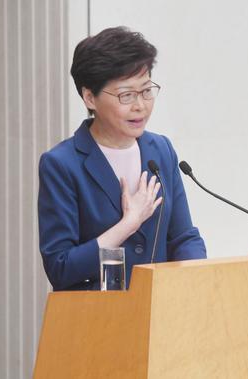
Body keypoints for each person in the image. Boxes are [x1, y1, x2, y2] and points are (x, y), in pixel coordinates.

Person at [38, 26, 206, 291]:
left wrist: (192, 286)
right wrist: (128, 224)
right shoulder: (62, 164)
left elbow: (183, 237)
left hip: (160, 314)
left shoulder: (160, 150)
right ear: (90, 97)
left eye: (146, 90)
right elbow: (61, 267)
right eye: (126, 95)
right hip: (98, 321)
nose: (140, 105)